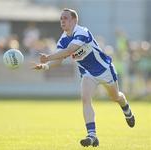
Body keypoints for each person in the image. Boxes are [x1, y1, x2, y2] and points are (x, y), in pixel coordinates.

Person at [31, 8, 135, 147]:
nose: (62, 21)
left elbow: (69, 51)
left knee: (115, 97)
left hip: (104, 69)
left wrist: (48, 57)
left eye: (66, 18)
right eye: (61, 18)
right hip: (87, 73)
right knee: (86, 99)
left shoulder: (82, 32)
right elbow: (59, 60)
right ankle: (92, 135)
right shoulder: (62, 39)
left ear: (74, 20)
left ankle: (126, 109)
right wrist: (45, 66)